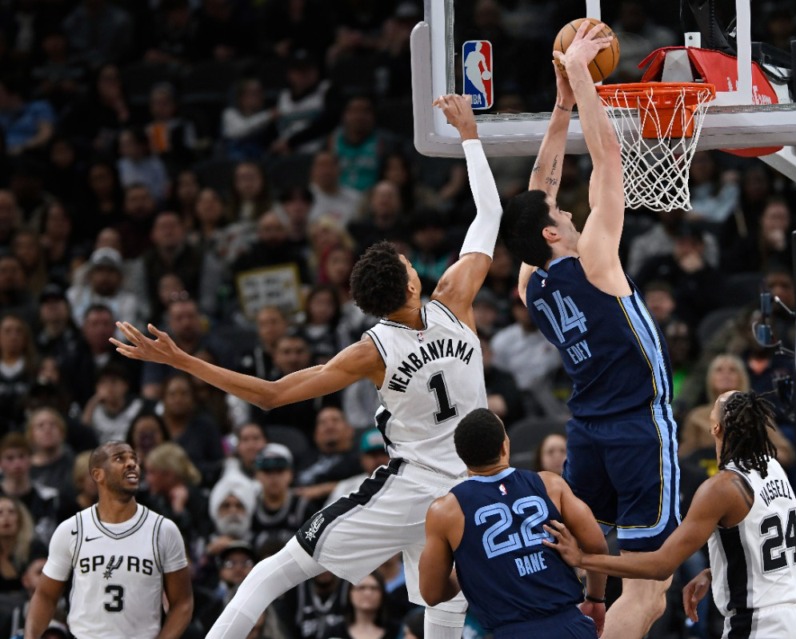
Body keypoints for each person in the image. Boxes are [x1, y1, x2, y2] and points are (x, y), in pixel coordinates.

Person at [110, 94, 504, 639]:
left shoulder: (371, 350)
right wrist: (469, 135)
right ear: (411, 282)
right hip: (467, 489)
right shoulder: (455, 299)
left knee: (273, 573)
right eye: (409, 262)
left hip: (414, 487)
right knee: (441, 597)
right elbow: (490, 213)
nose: (414, 264)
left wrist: (180, 359)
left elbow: (270, 395)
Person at [500, 22, 680, 636]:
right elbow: (609, 158)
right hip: (635, 424)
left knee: (592, 542)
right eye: (561, 214)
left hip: (587, 430)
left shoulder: (531, 283)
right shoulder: (597, 261)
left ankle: (590, 615)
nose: (570, 207)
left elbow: (537, 191)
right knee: (650, 585)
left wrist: (561, 106)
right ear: (553, 234)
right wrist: (579, 69)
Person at [544, 391, 796, 639]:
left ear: (715, 427)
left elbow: (661, 566)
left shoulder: (722, 487)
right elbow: (766, 543)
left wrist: (583, 558)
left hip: (761, 625)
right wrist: (716, 572)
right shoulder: (772, 467)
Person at [419, 408, 607, 638]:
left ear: (462, 456)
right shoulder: (550, 484)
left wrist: (470, 568)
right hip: (569, 624)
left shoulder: (445, 511)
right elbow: (597, 546)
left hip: (510, 631)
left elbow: (431, 593)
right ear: (504, 446)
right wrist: (595, 599)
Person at [25, 441, 193, 639]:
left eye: (134, 459)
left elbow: (182, 603)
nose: (131, 464)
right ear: (98, 475)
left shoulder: (163, 530)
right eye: (120, 459)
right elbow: (45, 595)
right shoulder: (72, 529)